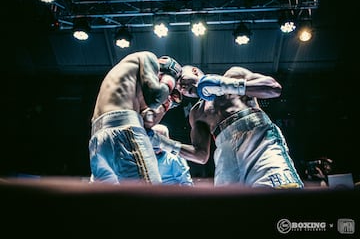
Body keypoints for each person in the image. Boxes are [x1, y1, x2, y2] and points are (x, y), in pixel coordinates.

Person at [149, 65, 304, 188]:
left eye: (181, 79)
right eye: (178, 88)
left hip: (259, 139)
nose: (180, 87)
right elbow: (201, 155)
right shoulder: (196, 113)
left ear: (195, 71)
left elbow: (274, 88)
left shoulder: (232, 75)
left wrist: (224, 85)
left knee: (277, 188)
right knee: (229, 210)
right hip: (225, 153)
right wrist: (161, 141)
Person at [88, 51, 182, 184]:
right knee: (149, 197)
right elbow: (155, 97)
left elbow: (147, 119)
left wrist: (165, 106)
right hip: (123, 131)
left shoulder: (126, 75)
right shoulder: (148, 57)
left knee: (105, 202)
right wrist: (170, 80)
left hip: (97, 141)